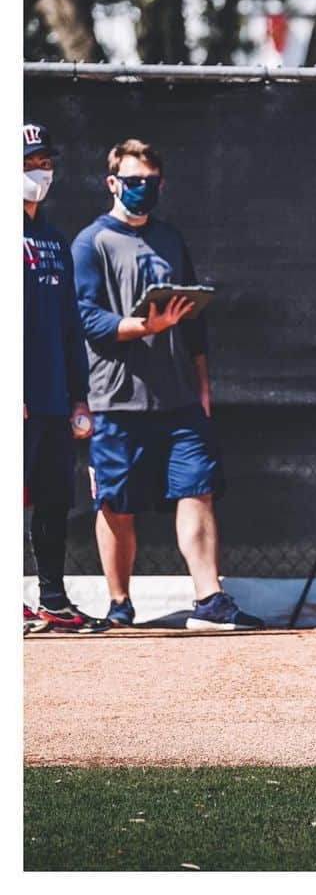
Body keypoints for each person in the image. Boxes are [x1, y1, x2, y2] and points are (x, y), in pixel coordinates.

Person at [71, 138, 263, 630]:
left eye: (151, 183)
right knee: (116, 502)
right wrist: (144, 328)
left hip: (178, 397)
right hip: (116, 399)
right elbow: (87, 318)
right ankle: (119, 604)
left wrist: (201, 381)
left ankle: (210, 599)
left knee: (197, 488)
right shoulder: (90, 243)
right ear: (113, 183)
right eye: (133, 182)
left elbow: (194, 319)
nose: (142, 190)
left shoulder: (171, 239)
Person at [23, 122, 110, 634]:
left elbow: (70, 324)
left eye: (45, 162)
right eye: (30, 163)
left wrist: (79, 394)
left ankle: (52, 600)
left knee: (55, 496)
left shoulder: (53, 238)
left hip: (54, 397)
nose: (40, 172)